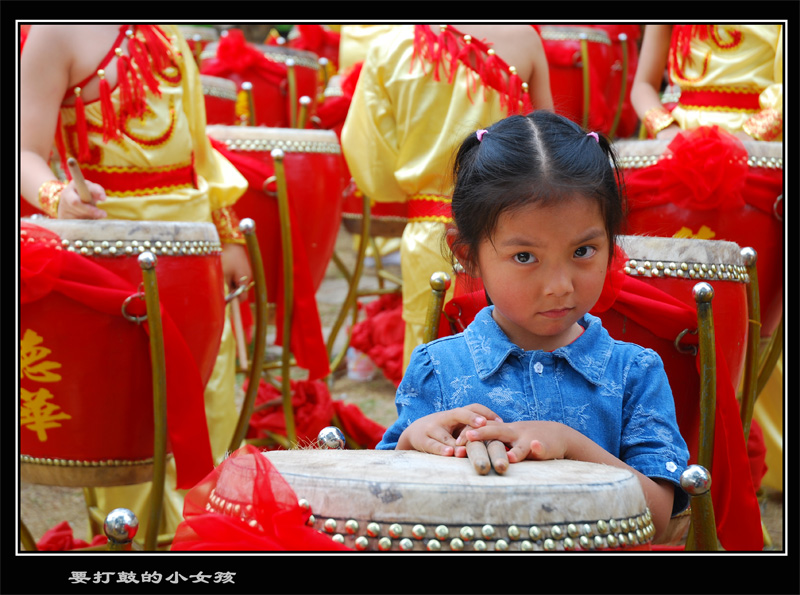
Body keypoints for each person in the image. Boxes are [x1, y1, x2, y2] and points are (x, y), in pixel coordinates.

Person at [376, 111, 690, 542]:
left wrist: (569, 443)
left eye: (583, 250)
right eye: (525, 257)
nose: (560, 286)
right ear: (467, 254)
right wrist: (414, 440)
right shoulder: (438, 368)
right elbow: (385, 503)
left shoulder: (633, 373)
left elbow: (657, 520)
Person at [19, 24, 250, 544]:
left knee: (210, 398)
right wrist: (58, 196)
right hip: (111, 250)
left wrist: (226, 228)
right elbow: (24, 152)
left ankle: (206, 542)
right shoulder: (53, 35)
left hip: (193, 248)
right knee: (129, 415)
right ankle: (134, 547)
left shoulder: (166, 30)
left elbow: (199, 153)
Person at [341, 24, 553, 374]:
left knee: (430, 351)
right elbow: (549, 146)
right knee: (518, 350)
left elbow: (369, 157)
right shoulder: (525, 39)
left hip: (430, 234)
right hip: (514, 232)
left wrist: (407, 190)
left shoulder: (390, 46)